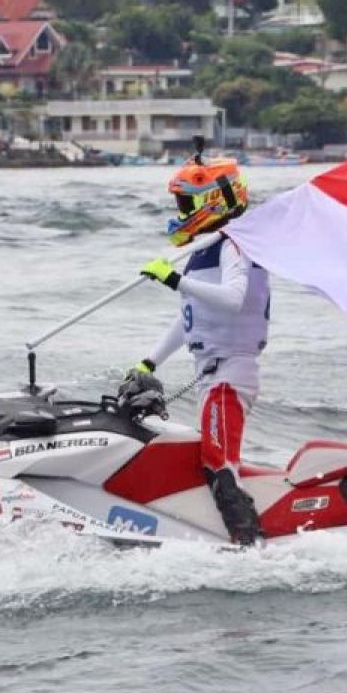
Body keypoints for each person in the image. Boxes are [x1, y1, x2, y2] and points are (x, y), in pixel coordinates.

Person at [133, 147, 269, 545]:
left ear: (211, 200)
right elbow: (192, 317)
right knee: (209, 456)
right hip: (210, 371)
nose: (179, 209)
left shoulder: (234, 246)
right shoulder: (202, 251)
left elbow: (232, 299)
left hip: (231, 372)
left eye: (184, 201)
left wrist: (173, 281)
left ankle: (250, 546)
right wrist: (148, 363)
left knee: (217, 459)